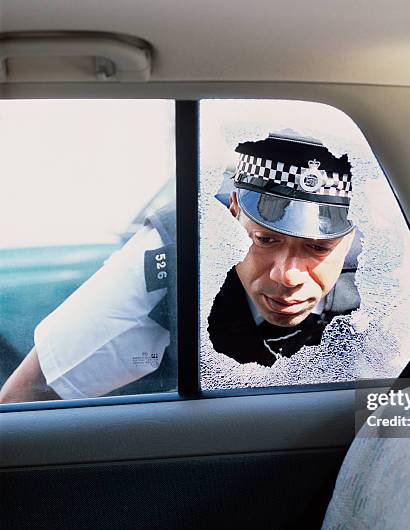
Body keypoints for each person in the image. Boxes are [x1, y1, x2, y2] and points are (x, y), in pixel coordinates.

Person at [0, 132, 360, 403]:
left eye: (318, 247)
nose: (288, 275)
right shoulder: (174, 252)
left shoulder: (393, 273)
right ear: (233, 209)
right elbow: (28, 399)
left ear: (353, 236)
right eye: (265, 240)